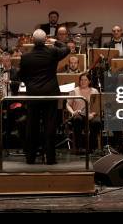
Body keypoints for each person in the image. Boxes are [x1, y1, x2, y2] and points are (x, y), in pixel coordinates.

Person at [19, 29, 71, 164]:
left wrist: (31, 83)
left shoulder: (26, 57)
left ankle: (30, 158)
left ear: (32, 40)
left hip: (33, 95)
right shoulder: (53, 52)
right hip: (50, 94)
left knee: (32, 126)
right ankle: (50, 158)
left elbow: (21, 76)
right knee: (50, 126)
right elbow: (67, 48)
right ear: (46, 39)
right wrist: (55, 41)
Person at [67, 73, 101, 153]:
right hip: (78, 114)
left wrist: (92, 114)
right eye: (81, 80)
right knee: (77, 120)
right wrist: (73, 112)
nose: (83, 81)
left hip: (90, 114)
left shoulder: (94, 91)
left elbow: (97, 106)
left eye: (85, 80)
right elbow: (68, 105)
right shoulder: (74, 90)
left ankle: (91, 147)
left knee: (96, 122)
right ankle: (79, 147)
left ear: (89, 81)